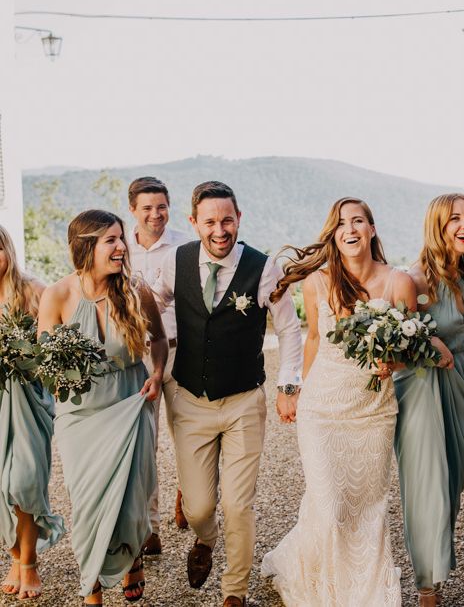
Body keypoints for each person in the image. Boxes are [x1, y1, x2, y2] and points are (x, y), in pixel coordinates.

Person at [153, 181, 302, 607]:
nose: (220, 230)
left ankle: (233, 590)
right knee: (199, 508)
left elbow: (290, 330)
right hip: (190, 401)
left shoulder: (263, 266)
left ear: (239, 219)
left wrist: (288, 386)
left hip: (242, 402)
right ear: (194, 223)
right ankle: (206, 538)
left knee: (238, 504)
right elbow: (154, 302)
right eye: (211, 222)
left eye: (227, 220)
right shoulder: (174, 260)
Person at [261, 197, 414, 606]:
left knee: (367, 508)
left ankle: (366, 590)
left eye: (358, 221)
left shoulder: (399, 283)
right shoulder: (317, 282)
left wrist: (391, 362)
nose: (351, 229)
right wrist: (295, 389)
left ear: (372, 229)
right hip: (323, 409)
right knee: (329, 508)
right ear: (334, 234)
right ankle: (327, 590)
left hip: (373, 412)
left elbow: (409, 350)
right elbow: (313, 339)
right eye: (342, 223)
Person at [37, 210, 166, 605]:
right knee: (88, 500)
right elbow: (45, 362)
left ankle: (132, 558)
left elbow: (159, 339)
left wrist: (158, 374)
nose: (122, 247)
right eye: (111, 240)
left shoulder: (135, 290)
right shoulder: (58, 295)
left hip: (130, 403)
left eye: (121, 238)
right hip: (81, 416)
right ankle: (91, 583)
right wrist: (60, 375)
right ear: (86, 245)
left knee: (132, 498)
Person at [393, 194, 464, 606]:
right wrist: (427, 338)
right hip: (420, 387)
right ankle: (426, 586)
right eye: (455, 219)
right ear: (437, 225)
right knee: (425, 482)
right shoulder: (413, 280)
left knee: (452, 479)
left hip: (461, 381)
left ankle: (436, 565)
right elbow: (395, 344)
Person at [0, 225, 65, 601]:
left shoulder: (33, 291)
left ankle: (28, 563)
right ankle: (15, 555)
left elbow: (58, 345)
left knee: (24, 481)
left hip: (28, 399)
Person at [126, 176, 190, 549]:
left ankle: (189, 494)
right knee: (144, 442)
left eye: (161, 206)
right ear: (133, 210)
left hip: (183, 351)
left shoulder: (185, 245)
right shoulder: (120, 249)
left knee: (188, 434)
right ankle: (150, 525)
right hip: (139, 354)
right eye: (147, 208)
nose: (155, 214)